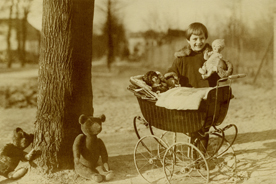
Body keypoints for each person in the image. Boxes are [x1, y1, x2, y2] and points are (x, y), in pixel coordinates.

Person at [164, 22, 219, 154]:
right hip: (188, 99)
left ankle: (200, 158)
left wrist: (218, 70)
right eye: (195, 39)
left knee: (203, 128)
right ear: (188, 40)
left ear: (206, 39)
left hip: (206, 97)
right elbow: (172, 71)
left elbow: (218, 73)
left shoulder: (211, 56)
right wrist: (172, 78)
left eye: (202, 38)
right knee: (193, 127)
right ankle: (194, 156)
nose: (198, 42)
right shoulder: (182, 58)